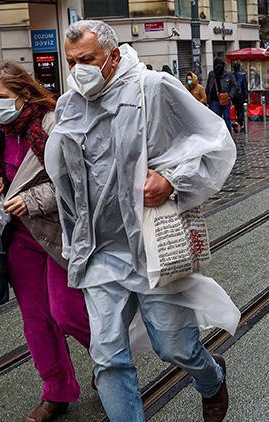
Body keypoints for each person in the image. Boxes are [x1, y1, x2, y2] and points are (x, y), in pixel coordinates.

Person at [44, 20, 239, 422]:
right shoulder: (69, 104)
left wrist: (172, 182)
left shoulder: (154, 89)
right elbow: (65, 179)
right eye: (72, 61)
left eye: (88, 59)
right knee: (107, 358)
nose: (79, 69)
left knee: (175, 347)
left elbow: (215, 144)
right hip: (98, 251)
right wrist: (72, 239)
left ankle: (211, 377)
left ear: (113, 56)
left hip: (150, 247)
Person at [0, 61, 91, 422]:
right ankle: (56, 391)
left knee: (68, 313)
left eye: (1, 98)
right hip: (19, 239)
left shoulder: (52, 124)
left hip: (59, 234)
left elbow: (78, 183)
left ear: (23, 94)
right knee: (37, 320)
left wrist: (32, 200)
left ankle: (114, 363)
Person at [206, 57, 238, 131]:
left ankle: (228, 135)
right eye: (217, 65)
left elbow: (235, 85)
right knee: (216, 119)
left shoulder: (228, 74)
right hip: (214, 100)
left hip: (225, 100)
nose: (219, 67)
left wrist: (230, 95)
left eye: (220, 65)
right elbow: (208, 86)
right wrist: (207, 98)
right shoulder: (211, 74)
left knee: (227, 118)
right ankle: (218, 135)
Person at [232, 62, 248, 132]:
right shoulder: (243, 75)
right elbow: (244, 86)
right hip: (241, 95)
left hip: (233, 95)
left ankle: (238, 122)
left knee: (236, 109)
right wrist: (246, 96)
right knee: (240, 110)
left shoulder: (231, 75)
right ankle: (241, 124)